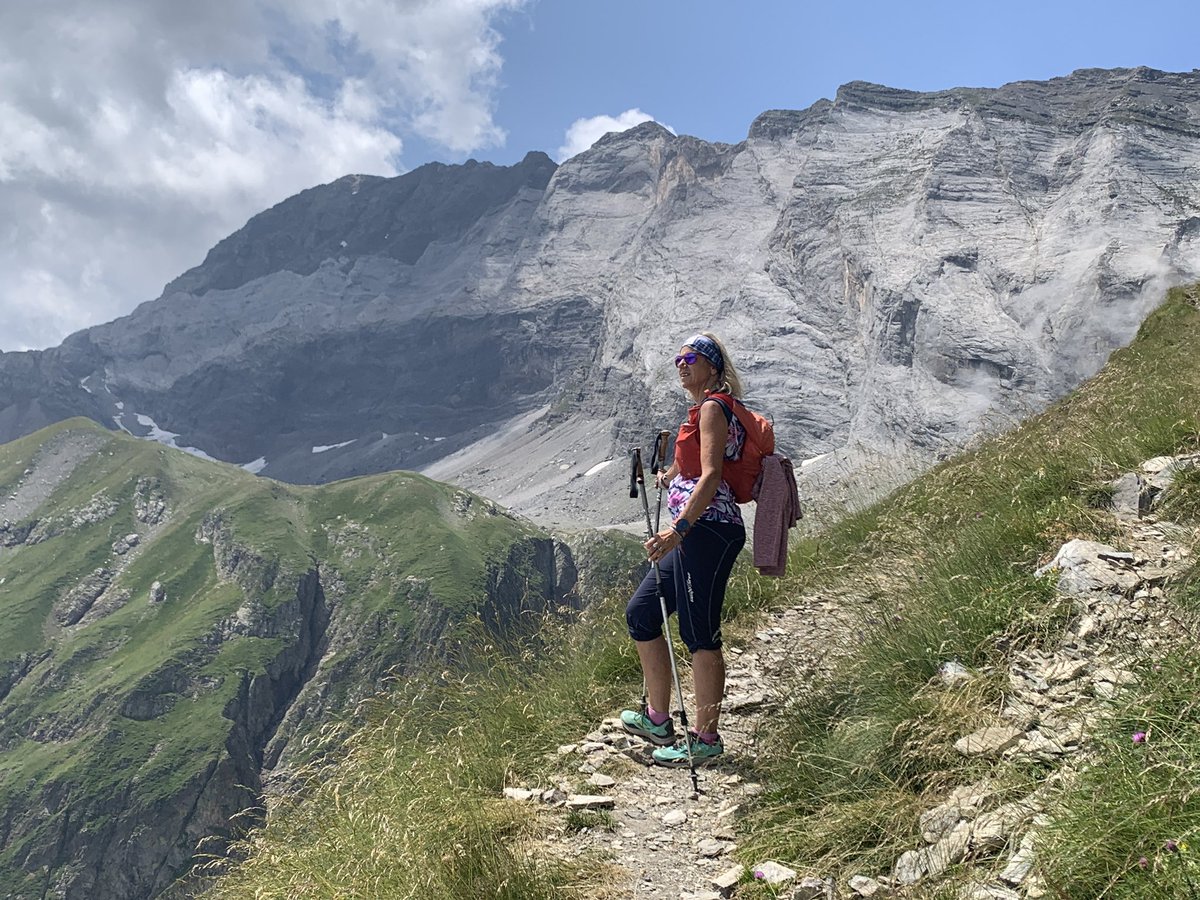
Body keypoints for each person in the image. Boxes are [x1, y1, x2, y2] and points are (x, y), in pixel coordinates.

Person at [621, 332, 747, 766]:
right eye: (678, 358)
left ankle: (706, 739)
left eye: (691, 357)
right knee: (642, 613)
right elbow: (692, 467)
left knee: (699, 633)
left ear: (712, 366)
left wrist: (677, 530)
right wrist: (668, 475)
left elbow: (711, 476)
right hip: (695, 532)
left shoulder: (713, 408)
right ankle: (657, 718)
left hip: (708, 531)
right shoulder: (699, 412)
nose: (681, 364)